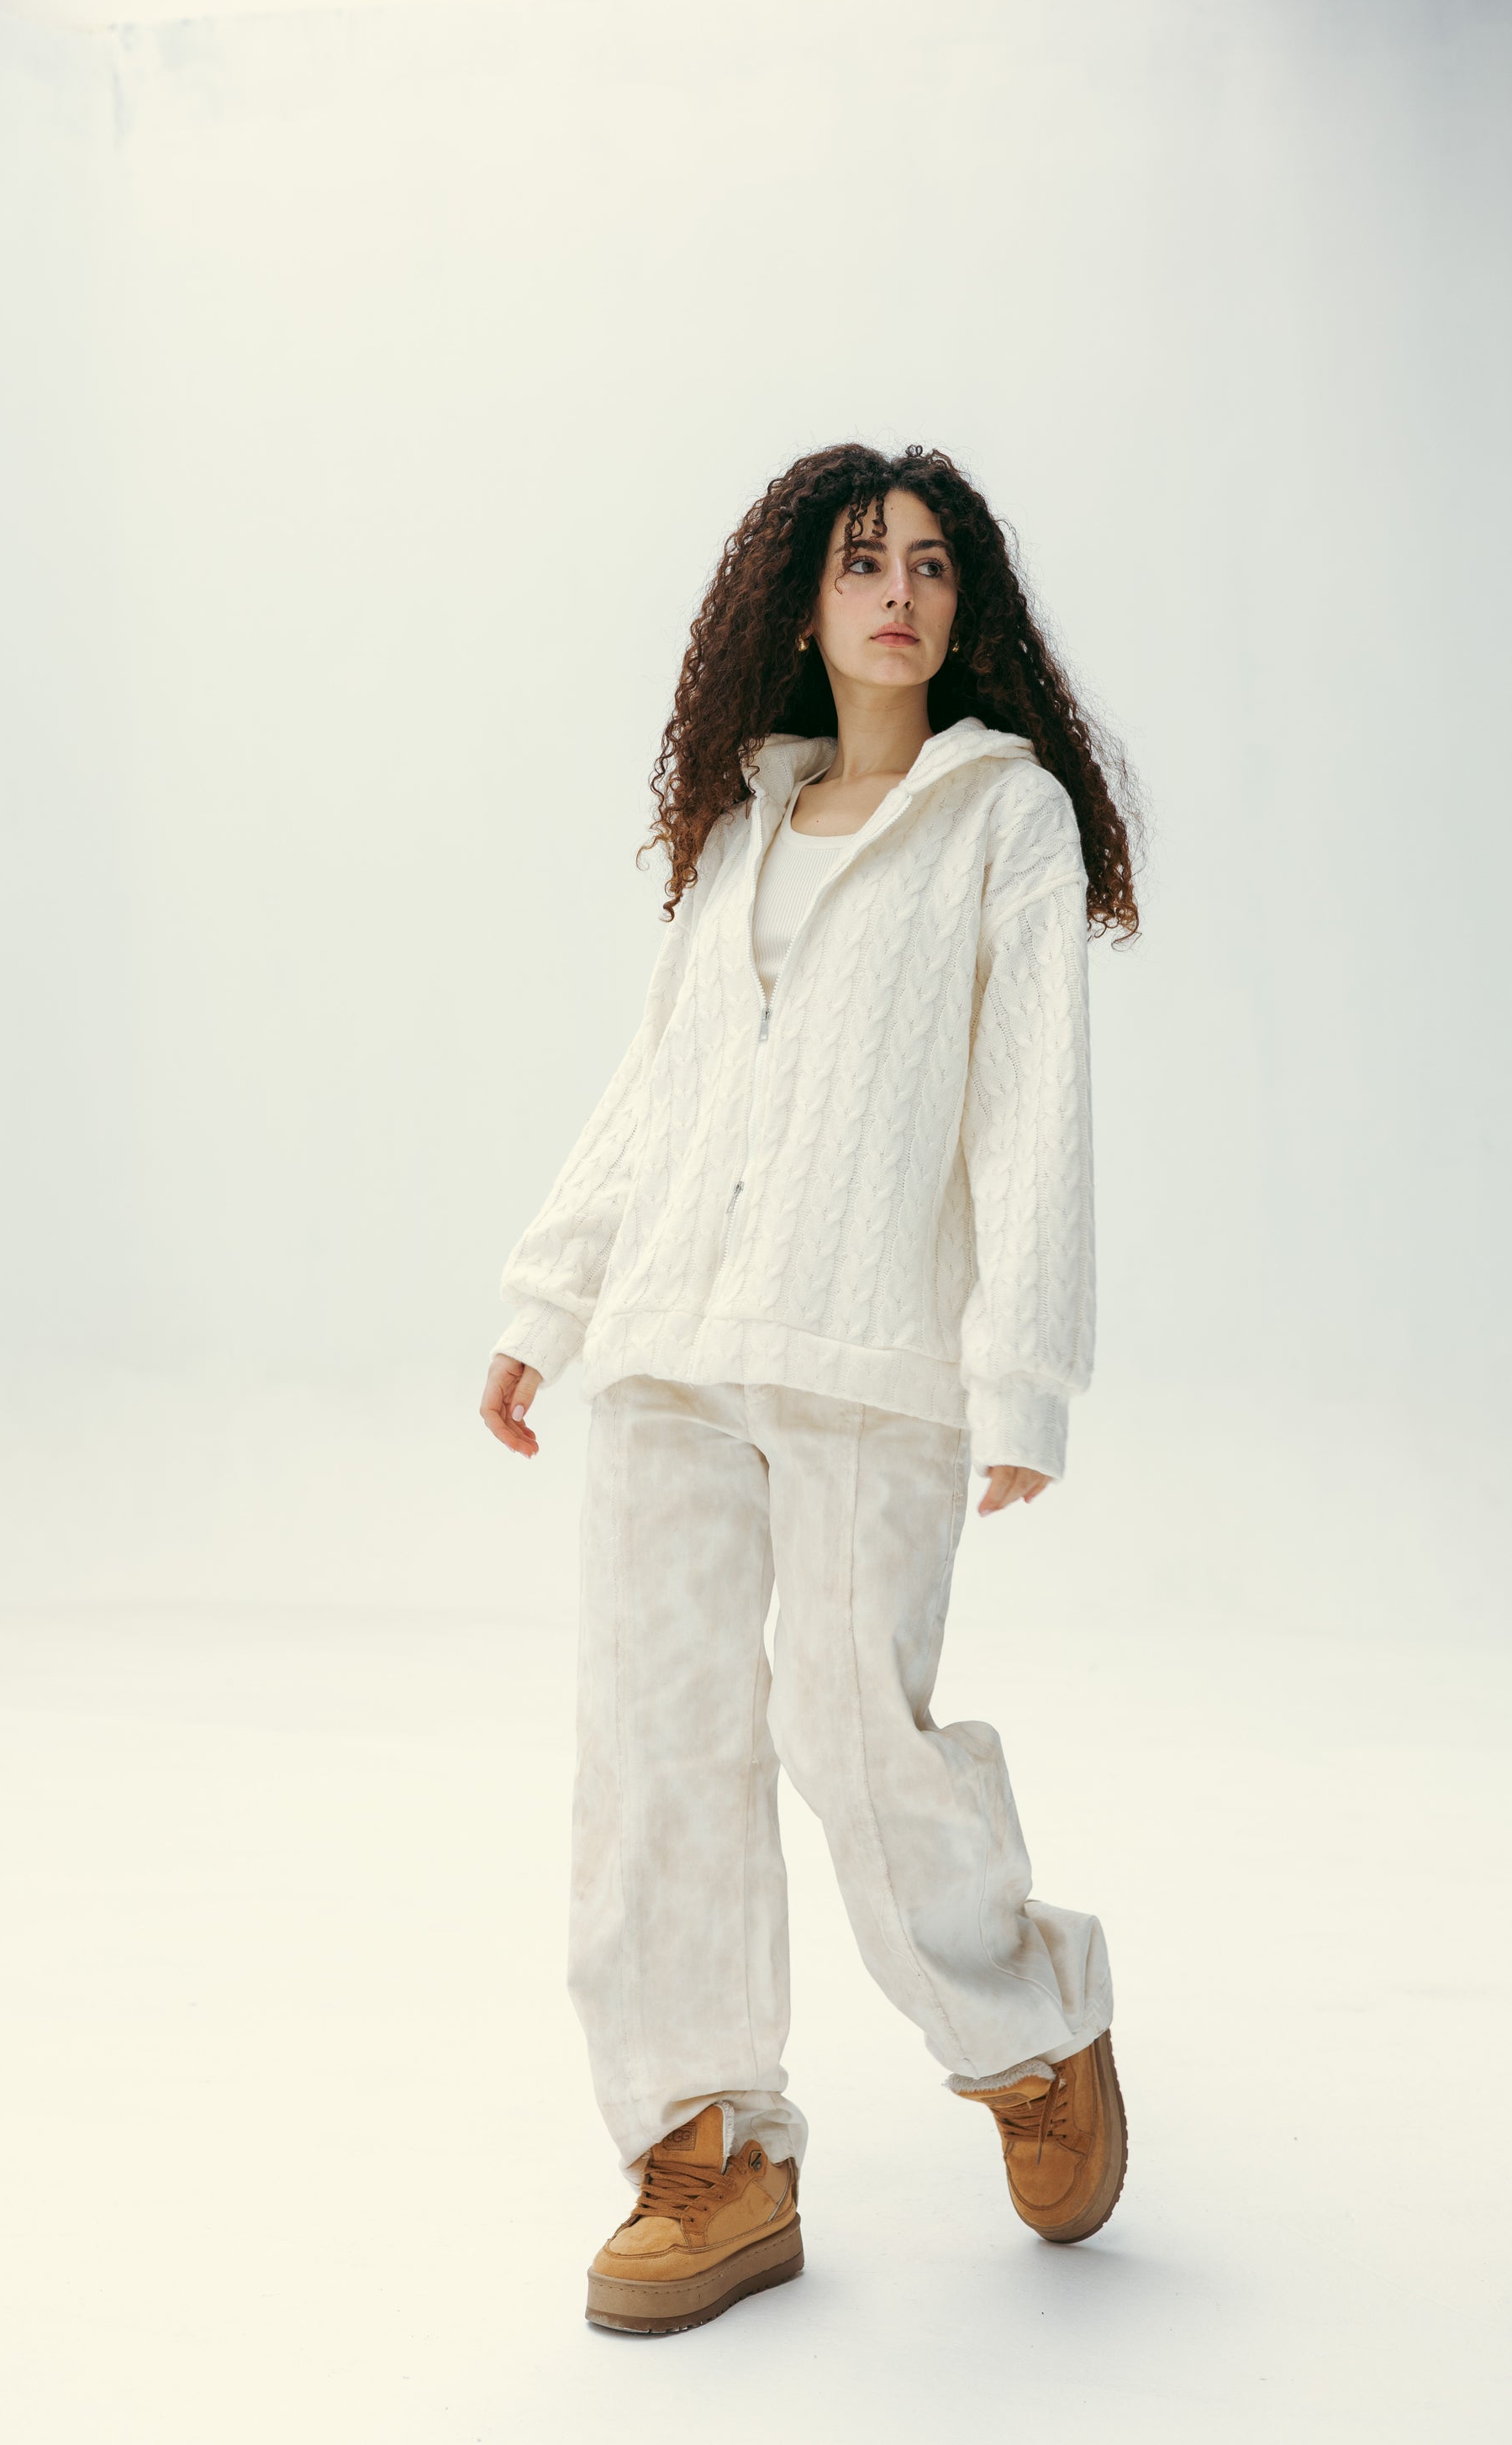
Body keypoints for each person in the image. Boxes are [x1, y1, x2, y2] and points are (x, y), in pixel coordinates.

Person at [480, 441, 1141, 2336]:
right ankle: (708, 2145)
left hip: (870, 1352)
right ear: (802, 605)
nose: (897, 591)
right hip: (674, 1343)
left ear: (964, 608)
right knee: (657, 1743)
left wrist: (1021, 1375)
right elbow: (662, 1081)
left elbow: (1032, 1105)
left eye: (929, 564)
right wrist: (552, 1292)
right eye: (861, 561)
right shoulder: (744, 827)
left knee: (857, 1734)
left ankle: (1026, 2027)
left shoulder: (1003, 819)